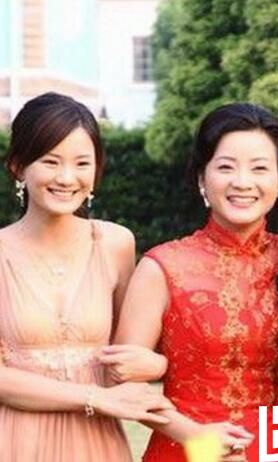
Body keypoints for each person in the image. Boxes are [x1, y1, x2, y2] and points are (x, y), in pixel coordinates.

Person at [112, 103, 278, 461]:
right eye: (225, 167)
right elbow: (126, 385)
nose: (242, 182)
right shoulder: (162, 267)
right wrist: (193, 434)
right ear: (202, 178)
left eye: (259, 168)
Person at [0, 92, 172, 462]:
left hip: (98, 444)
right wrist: (96, 398)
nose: (66, 178)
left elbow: (129, 357)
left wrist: (158, 364)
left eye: (82, 163)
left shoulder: (115, 243)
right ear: (18, 166)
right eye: (50, 161)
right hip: (15, 441)